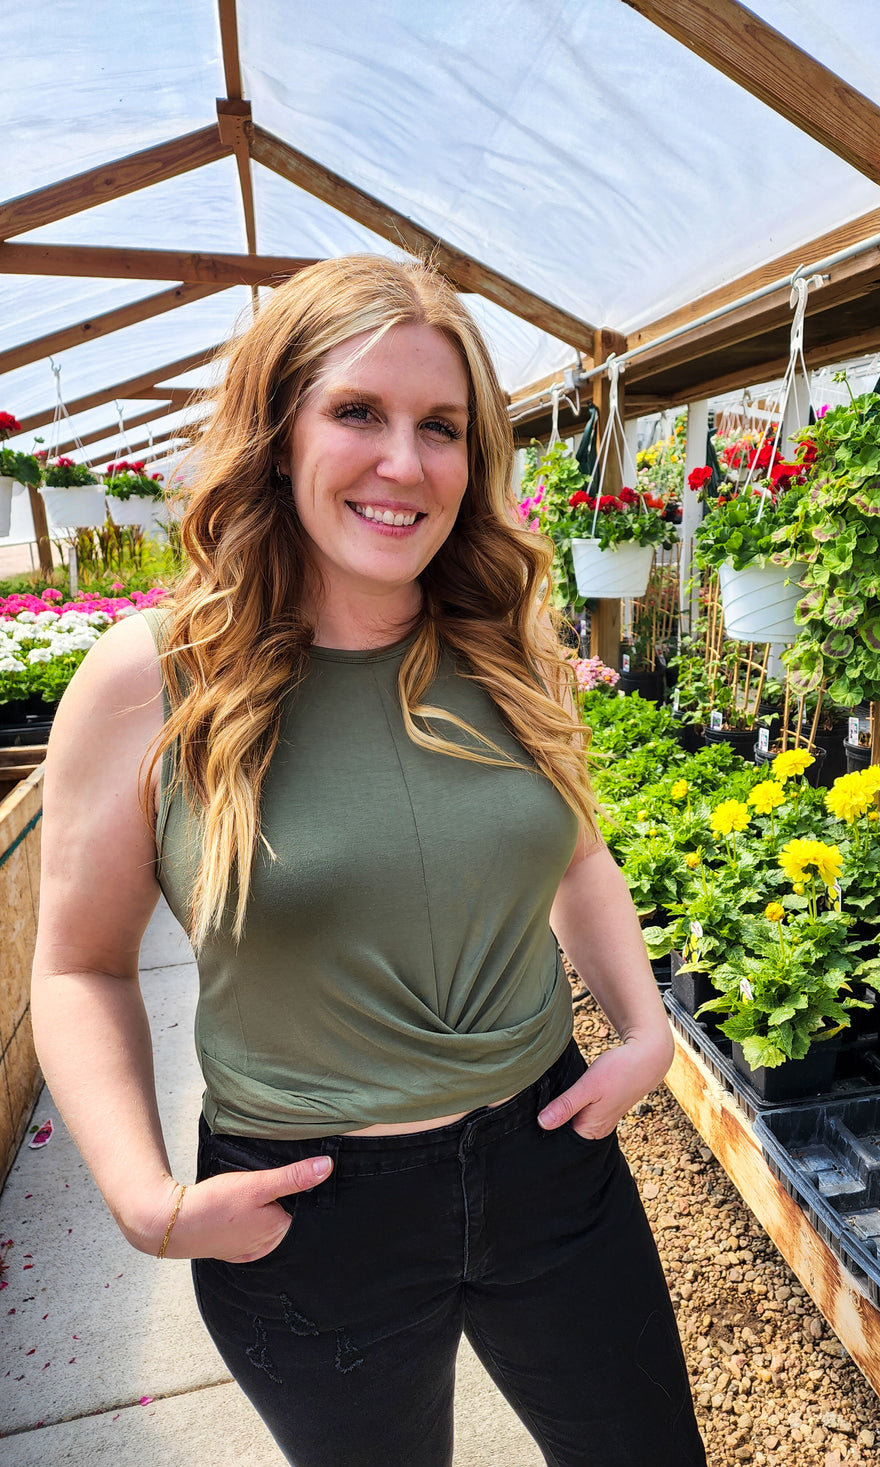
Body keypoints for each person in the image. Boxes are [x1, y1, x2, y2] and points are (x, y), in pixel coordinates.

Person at [31, 255, 706, 1467]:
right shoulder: (153, 681)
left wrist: (644, 1030)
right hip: (306, 1214)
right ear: (275, 434)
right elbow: (79, 965)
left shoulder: (504, 644)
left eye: (439, 427)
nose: (404, 462)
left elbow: (573, 853)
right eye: (357, 413)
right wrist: (145, 1202)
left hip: (548, 1163)